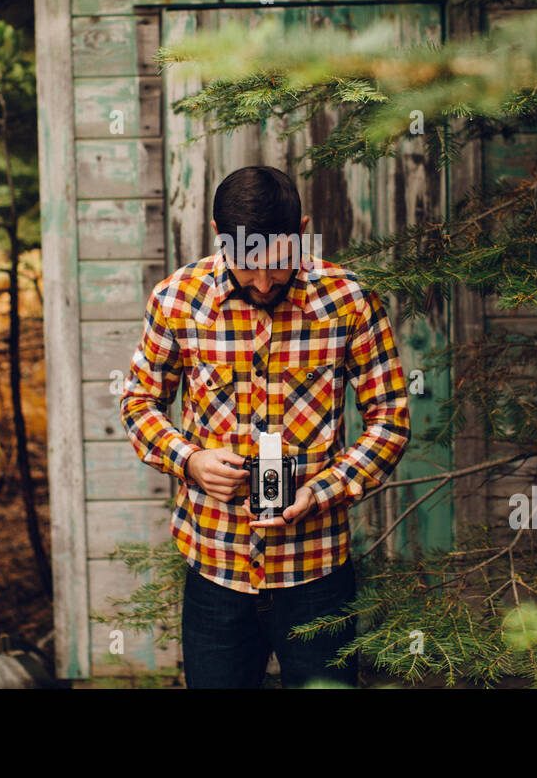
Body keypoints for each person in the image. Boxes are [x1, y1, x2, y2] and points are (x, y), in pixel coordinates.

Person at [119, 165, 411, 688]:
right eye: (245, 264)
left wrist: (325, 490)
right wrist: (190, 460)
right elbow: (139, 402)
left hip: (317, 569)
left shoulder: (349, 301)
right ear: (218, 237)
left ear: (301, 232)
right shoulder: (176, 300)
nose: (261, 282)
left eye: (275, 264)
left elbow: (390, 419)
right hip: (214, 567)